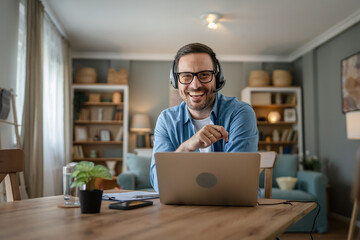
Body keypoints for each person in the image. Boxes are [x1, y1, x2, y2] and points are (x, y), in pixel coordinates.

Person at [150, 43, 258, 192]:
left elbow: (239, 182)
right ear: (176, 81)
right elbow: (159, 184)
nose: (195, 85)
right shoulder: (166, 120)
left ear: (217, 78)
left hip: (233, 210)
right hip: (184, 209)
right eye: (186, 76)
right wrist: (187, 147)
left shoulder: (240, 113)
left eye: (204, 75)